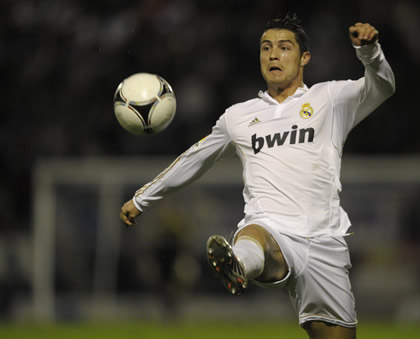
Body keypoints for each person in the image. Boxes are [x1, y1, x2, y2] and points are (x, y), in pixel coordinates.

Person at [120, 13, 395, 339]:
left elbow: (383, 87)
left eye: (284, 47)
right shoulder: (238, 116)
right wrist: (142, 198)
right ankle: (239, 264)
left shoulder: (330, 99)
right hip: (270, 229)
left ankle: (244, 262)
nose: (273, 55)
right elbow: (196, 159)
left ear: (304, 57)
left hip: (324, 241)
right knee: (254, 232)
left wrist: (370, 52)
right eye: (266, 48)